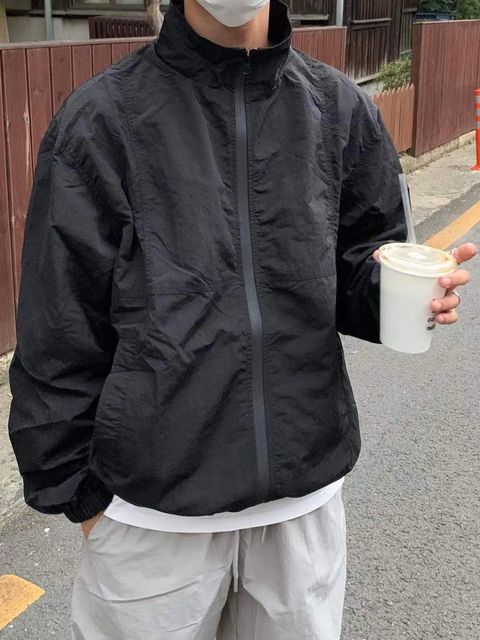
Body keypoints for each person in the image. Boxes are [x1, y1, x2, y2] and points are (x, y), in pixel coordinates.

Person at [7, 0, 476, 638]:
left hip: (302, 510)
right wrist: (79, 494)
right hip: (150, 522)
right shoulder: (102, 119)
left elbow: (359, 262)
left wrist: (404, 295)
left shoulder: (338, 108)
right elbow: (58, 322)